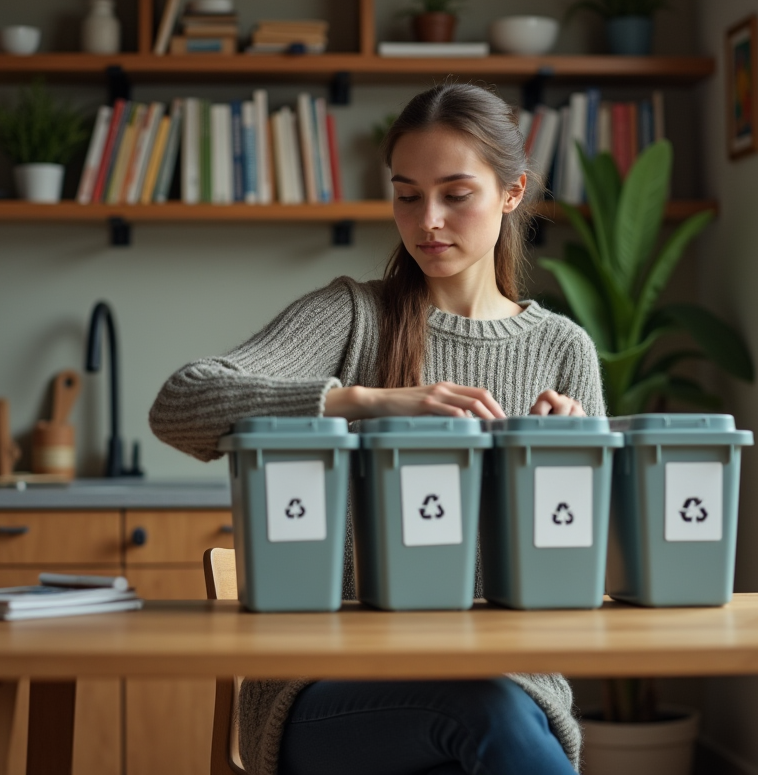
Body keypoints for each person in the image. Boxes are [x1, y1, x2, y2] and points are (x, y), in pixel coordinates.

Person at [150, 82, 605, 775]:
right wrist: (365, 401)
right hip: (327, 693)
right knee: (480, 715)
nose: (428, 220)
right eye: (406, 194)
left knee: (488, 712)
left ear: (512, 193)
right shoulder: (353, 316)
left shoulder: (563, 351)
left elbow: (591, 578)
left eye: (456, 194)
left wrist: (568, 463)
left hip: (514, 689)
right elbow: (181, 404)